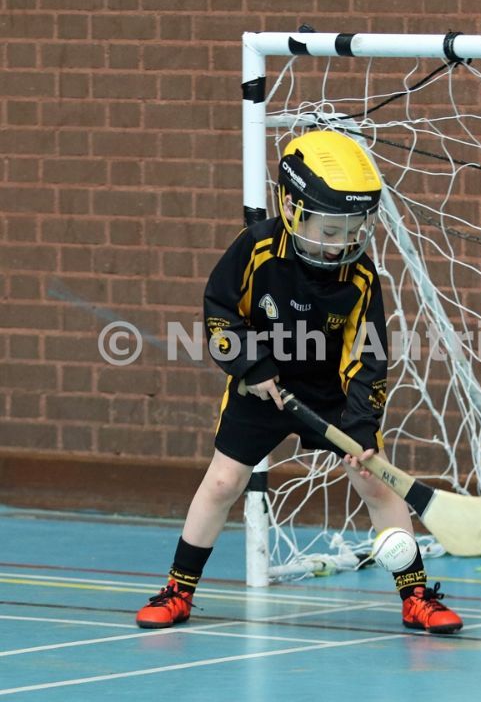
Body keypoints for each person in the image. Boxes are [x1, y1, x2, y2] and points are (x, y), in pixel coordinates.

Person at [135, 129, 463, 634]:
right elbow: (220, 312)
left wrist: (361, 422)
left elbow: (368, 355)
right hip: (260, 387)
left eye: (353, 231)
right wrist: (251, 364)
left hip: (331, 395)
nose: (341, 244)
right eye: (329, 231)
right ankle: (178, 590)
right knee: (222, 482)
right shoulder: (257, 249)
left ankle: (417, 596)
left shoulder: (359, 277)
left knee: (374, 482)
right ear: (291, 208)